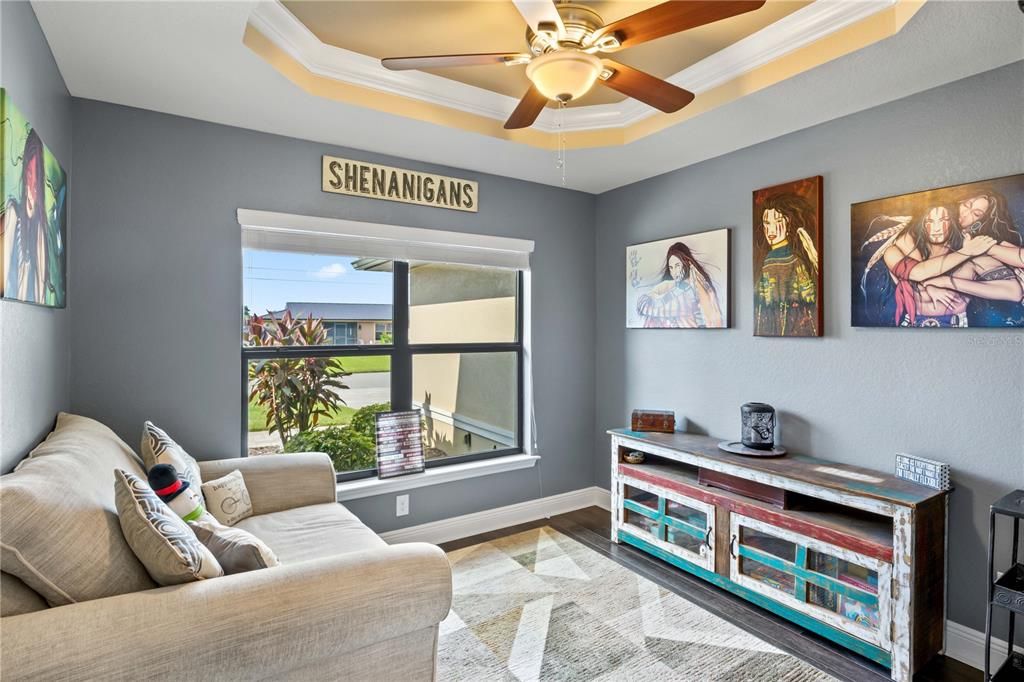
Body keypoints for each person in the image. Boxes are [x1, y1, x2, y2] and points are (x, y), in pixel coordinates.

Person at [1, 128, 64, 305]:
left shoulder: (40, 232)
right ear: (24, 175)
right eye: (29, 175)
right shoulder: (12, 214)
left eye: (36, 179)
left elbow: (40, 293)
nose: (32, 185)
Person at [754, 193, 819, 335]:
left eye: (777, 222)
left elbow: (808, 299)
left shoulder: (794, 259)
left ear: (789, 222)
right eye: (767, 223)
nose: (771, 230)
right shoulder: (767, 260)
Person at [636, 241, 723, 328]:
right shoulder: (700, 281)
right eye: (671, 267)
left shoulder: (685, 292)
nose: (674, 272)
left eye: (677, 266)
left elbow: (645, 306)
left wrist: (665, 288)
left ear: (687, 263)